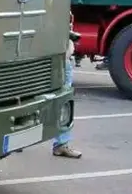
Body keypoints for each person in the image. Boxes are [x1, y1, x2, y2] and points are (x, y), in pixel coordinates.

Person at [53, 18, 83, 159]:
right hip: (61, 59)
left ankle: (18, 142)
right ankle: (61, 144)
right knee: (64, 103)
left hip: (59, 59)